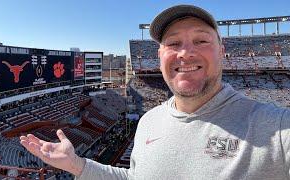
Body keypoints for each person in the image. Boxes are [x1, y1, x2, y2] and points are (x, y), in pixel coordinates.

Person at [20, 4, 290, 180]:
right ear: (159, 56)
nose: (185, 53)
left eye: (201, 40)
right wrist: (76, 165)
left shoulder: (276, 128)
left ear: (222, 51)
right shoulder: (149, 121)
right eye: (173, 43)